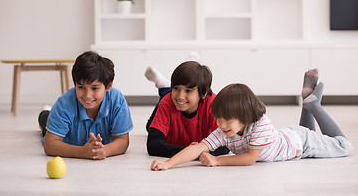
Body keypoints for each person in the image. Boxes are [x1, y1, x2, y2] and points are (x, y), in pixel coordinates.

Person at [151, 69, 353, 170]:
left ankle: (313, 105)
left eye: (227, 120)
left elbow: (249, 158)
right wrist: (168, 164)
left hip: (303, 145)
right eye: (218, 118)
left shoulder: (260, 125)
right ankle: (308, 100)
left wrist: (217, 160)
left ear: (244, 116)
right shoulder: (225, 129)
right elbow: (197, 147)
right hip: (291, 136)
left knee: (344, 146)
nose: (220, 125)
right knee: (307, 131)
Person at [38, 51, 133, 160]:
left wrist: (103, 151)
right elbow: (50, 145)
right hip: (65, 136)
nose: (87, 96)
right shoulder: (64, 103)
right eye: (81, 87)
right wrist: (82, 152)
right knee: (46, 123)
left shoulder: (116, 100)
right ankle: (46, 114)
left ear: (108, 86)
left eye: (95, 88)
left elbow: (123, 140)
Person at [145, 53, 229, 158]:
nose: (180, 96)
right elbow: (153, 145)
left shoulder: (213, 104)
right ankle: (165, 88)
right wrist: (193, 152)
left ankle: (165, 85)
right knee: (150, 126)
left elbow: (226, 145)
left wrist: (190, 153)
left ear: (203, 94)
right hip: (168, 102)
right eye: (176, 88)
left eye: (188, 90)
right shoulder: (168, 102)